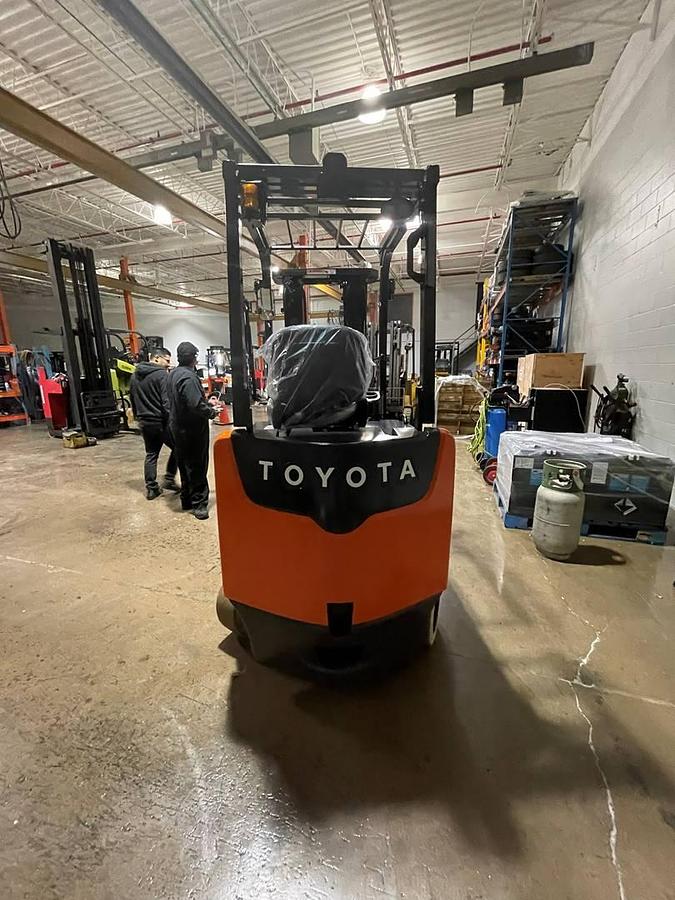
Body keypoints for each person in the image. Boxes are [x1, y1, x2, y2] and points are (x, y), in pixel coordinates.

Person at [167, 341, 218, 520]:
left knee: (185, 464)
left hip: (177, 426)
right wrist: (211, 411)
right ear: (194, 358)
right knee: (197, 466)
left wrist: (205, 402)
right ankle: (199, 504)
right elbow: (195, 405)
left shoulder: (173, 374)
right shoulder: (189, 377)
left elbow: (182, 400)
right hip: (192, 430)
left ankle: (187, 499)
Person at [129, 346, 179, 500]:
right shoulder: (161, 374)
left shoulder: (135, 375)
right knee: (179, 448)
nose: (168, 364)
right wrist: (173, 419)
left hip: (145, 421)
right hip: (160, 422)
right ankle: (169, 479)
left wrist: (138, 417)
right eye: (167, 360)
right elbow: (166, 401)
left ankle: (151, 488)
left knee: (151, 454)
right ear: (156, 358)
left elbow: (132, 398)